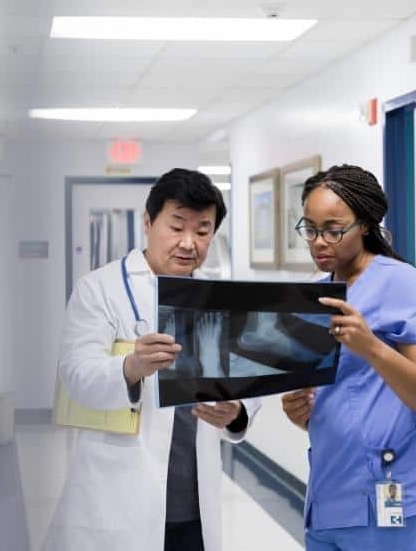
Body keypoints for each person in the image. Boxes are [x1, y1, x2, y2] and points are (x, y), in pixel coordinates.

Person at [43, 168, 261, 551]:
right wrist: (130, 368)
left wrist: (238, 410)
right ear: (148, 222)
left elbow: (246, 379)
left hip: (193, 497)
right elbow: (76, 376)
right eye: (176, 227)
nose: (189, 243)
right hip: (119, 494)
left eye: (203, 230)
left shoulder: (219, 298)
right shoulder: (100, 289)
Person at [281, 164, 416, 551]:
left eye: (333, 229)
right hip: (330, 495)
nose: (319, 242)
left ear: (365, 224)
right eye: (309, 228)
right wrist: (300, 410)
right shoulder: (316, 292)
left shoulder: (401, 283)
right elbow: (337, 396)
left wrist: (372, 348)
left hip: (397, 500)